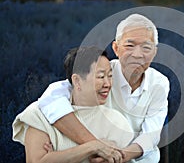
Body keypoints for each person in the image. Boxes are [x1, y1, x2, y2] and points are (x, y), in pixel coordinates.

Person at [37, 14, 170, 162]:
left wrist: (116, 157)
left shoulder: (160, 83)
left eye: (146, 47)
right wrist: (97, 147)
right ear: (116, 48)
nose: (137, 55)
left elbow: (150, 134)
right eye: (129, 45)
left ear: (155, 52)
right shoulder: (102, 73)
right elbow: (51, 98)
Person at [12, 47, 134, 163]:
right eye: (101, 76)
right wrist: (92, 147)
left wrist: (58, 157)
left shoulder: (117, 122)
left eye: (110, 76)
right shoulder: (39, 115)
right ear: (77, 81)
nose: (107, 83)